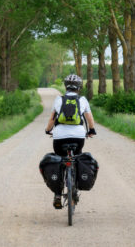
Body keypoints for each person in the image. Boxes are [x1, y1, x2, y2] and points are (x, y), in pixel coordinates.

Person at [44, 74, 96, 209]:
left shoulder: (59, 100)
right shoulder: (82, 100)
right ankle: (75, 189)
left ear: (65, 86)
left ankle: (57, 195)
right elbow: (89, 119)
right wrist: (91, 130)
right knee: (77, 157)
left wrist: (47, 130)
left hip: (59, 136)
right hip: (78, 137)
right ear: (79, 87)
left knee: (60, 160)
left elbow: (52, 119)